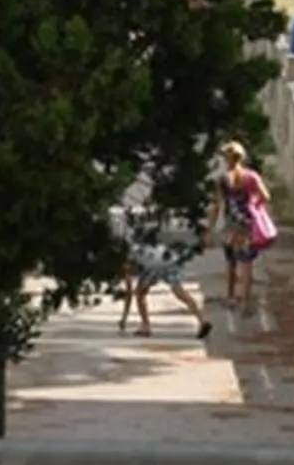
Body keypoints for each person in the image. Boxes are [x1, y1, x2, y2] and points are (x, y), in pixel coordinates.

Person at [110, 196, 210, 339]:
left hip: (152, 264)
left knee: (140, 293)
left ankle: (146, 326)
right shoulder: (139, 238)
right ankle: (202, 320)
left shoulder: (128, 253)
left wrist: (124, 319)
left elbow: (129, 290)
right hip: (166, 257)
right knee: (179, 291)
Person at [216, 141, 276, 311]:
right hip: (247, 224)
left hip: (230, 225)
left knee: (231, 262)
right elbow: (266, 196)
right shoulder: (251, 176)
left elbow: (218, 203)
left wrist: (211, 226)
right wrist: (255, 205)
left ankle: (230, 297)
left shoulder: (223, 179)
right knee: (246, 263)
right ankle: (245, 301)